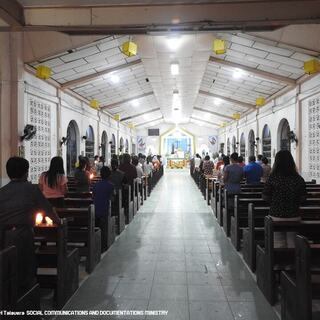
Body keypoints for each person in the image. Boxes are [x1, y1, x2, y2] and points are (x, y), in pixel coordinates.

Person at [0, 157, 60, 295]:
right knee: (25, 270)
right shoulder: (31, 189)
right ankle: (26, 303)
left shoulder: (2, 191)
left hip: (3, 236)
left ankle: (8, 301)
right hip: (22, 235)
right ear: (26, 172)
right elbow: (48, 209)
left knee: (7, 270)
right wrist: (59, 222)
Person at [262, 150, 307, 247]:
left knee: (278, 241)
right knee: (293, 242)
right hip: (294, 215)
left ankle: (279, 257)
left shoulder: (272, 178)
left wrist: (276, 202)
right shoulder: (298, 179)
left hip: (276, 215)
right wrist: (292, 201)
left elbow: (265, 196)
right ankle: (294, 258)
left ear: (276, 162)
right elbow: (303, 198)